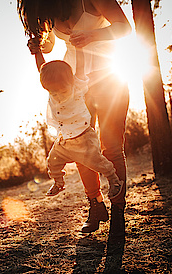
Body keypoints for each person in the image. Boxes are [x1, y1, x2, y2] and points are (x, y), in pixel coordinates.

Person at [18, 0, 131, 239]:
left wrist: (92, 35)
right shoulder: (52, 8)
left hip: (108, 77)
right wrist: (37, 45)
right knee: (79, 143)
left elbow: (124, 27)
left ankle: (118, 212)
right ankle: (96, 205)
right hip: (74, 84)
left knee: (111, 146)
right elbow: (48, 46)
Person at [32, 43, 123, 207]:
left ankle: (114, 180)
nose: (57, 94)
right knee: (52, 162)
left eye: (61, 90)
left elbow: (80, 68)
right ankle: (59, 183)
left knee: (99, 163)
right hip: (63, 141)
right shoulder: (53, 88)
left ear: (72, 81)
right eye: (53, 92)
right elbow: (42, 69)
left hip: (84, 138)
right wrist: (37, 52)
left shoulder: (77, 86)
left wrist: (79, 48)